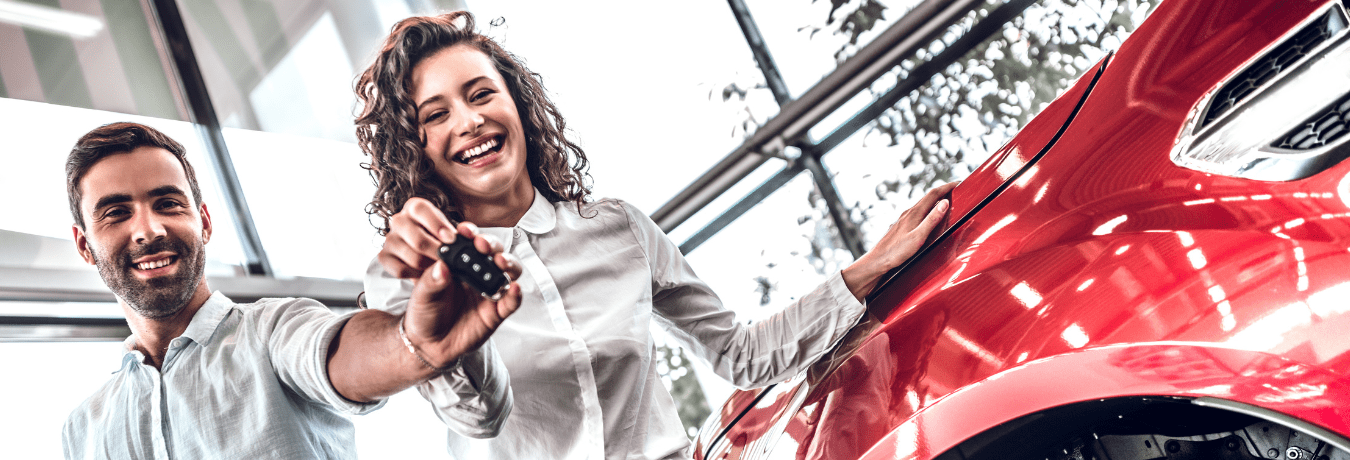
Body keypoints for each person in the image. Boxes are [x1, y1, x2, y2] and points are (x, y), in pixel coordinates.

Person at [354, 12, 955, 460]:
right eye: (436, 115)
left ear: (517, 103)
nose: (469, 121)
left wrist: (869, 268)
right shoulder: (414, 279)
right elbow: (477, 417)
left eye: (481, 93)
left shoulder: (618, 229)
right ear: (417, 150)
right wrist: (451, 333)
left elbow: (742, 355)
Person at [60, 122, 524, 458]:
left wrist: (411, 343)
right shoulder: (83, 430)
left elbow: (340, 355)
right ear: (85, 246)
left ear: (203, 222)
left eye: (168, 204)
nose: (149, 229)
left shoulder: (273, 331)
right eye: (116, 213)